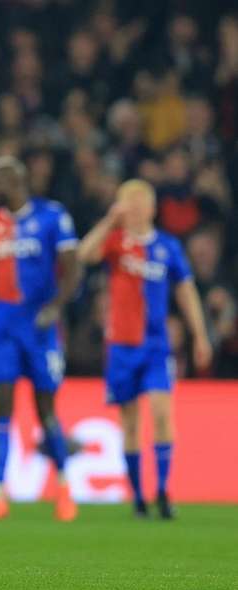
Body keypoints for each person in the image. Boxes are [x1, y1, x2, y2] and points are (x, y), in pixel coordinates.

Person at [76, 179, 212, 519]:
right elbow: (84, 254)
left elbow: (185, 291)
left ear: (151, 208)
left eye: (139, 204)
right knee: (131, 422)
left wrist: (199, 335)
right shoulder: (116, 242)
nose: (134, 210)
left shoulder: (167, 247)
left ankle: (163, 491)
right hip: (121, 346)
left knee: (163, 414)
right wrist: (109, 221)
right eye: (128, 204)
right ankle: (138, 496)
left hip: (156, 346)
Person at [0, 155, 81, 522]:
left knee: (46, 408)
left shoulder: (52, 216)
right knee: (2, 408)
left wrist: (57, 306)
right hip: (2, 324)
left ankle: (64, 489)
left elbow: (73, 267)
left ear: (14, 179)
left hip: (39, 322)